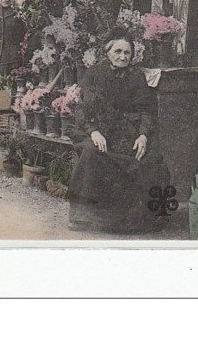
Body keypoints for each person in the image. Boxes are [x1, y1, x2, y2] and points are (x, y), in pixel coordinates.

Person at [67, 33, 169, 234]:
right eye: (118, 51)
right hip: (97, 130)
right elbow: (83, 109)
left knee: (152, 158)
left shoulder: (136, 77)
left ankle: (136, 220)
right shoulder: (94, 74)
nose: (123, 57)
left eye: (127, 53)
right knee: (90, 152)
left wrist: (143, 135)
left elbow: (145, 111)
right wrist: (93, 131)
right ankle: (84, 214)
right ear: (108, 53)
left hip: (128, 132)